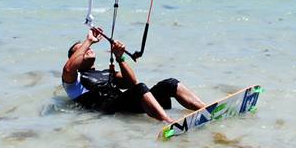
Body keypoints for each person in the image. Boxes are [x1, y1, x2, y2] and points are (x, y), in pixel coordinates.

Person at [61, 27, 206, 123]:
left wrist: (120, 57)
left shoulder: (106, 72)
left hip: (126, 105)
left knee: (170, 83)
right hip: (109, 110)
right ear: (74, 58)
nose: (88, 49)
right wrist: (88, 41)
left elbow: (131, 83)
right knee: (140, 88)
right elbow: (68, 69)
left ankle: (206, 110)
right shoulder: (74, 80)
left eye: (87, 47)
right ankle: (168, 122)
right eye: (81, 50)